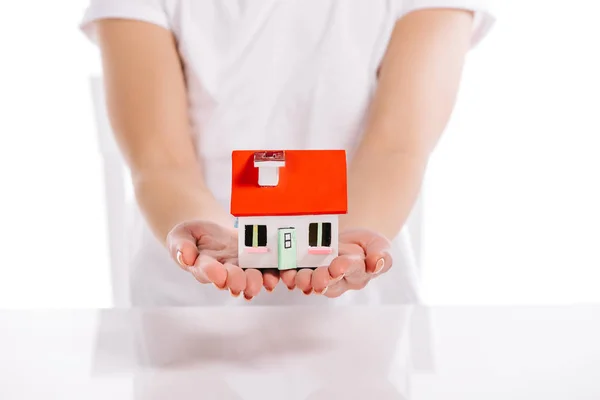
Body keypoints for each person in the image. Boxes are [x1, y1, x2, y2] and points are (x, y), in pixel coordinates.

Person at [80, 0, 495, 306]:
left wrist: (345, 246)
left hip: (360, 318)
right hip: (185, 306)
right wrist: (213, 235)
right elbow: (161, 163)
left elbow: (397, 148)